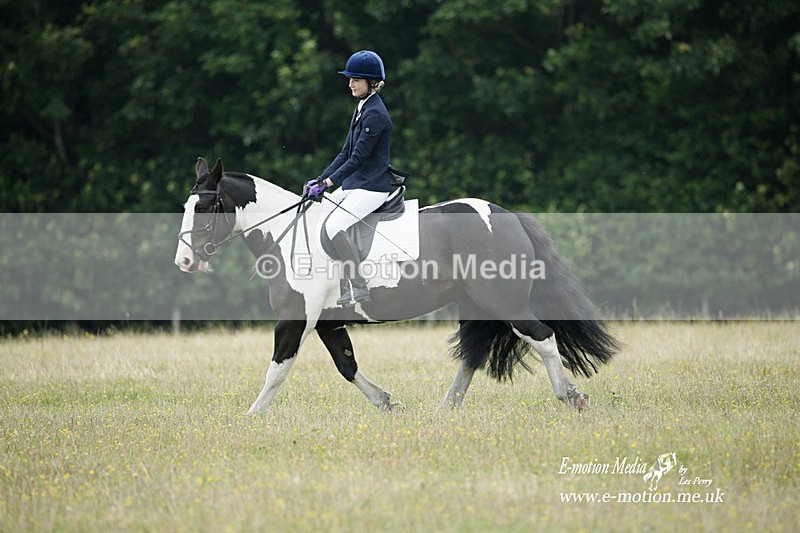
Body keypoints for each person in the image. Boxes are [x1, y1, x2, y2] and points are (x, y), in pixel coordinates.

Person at [305, 50, 394, 306]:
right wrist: (319, 179)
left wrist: (328, 184)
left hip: (372, 186)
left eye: (356, 79)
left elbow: (358, 159)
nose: (350, 83)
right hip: (357, 183)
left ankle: (358, 285)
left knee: (334, 227)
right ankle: (335, 281)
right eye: (350, 78)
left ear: (372, 83)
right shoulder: (361, 108)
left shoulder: (375, 114)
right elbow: (345, 152)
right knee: (322, 214)